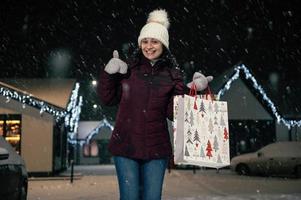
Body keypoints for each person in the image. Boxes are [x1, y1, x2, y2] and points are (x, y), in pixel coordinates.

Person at [98, 9, 213, 200]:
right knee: (130, 197)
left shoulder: (172, 75)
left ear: (164, 45)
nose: (149, 46)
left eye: (154, 41)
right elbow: (107, 99)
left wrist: (191, 89)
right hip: (125, 146)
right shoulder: (128, 69)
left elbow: (172, 112)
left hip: (156, 149)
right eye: (145, 41)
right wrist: (109, 74)